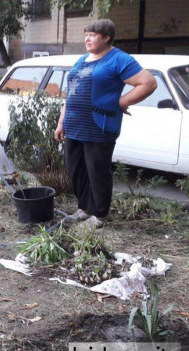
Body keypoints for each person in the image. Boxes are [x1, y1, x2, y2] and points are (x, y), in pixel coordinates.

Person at [55, 19, 156, 229]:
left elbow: (148, 82)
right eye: (86, 34)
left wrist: (121, 102)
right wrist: (61, 122)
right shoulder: (82, 60)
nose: (87, 38)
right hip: (74, 125)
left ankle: (99, 216)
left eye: (92, 34)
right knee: (77, 170)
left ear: (107, 37)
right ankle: (85, 208)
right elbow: (71, 92)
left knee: (97, 171)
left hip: (98, 127)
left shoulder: (118, 59)